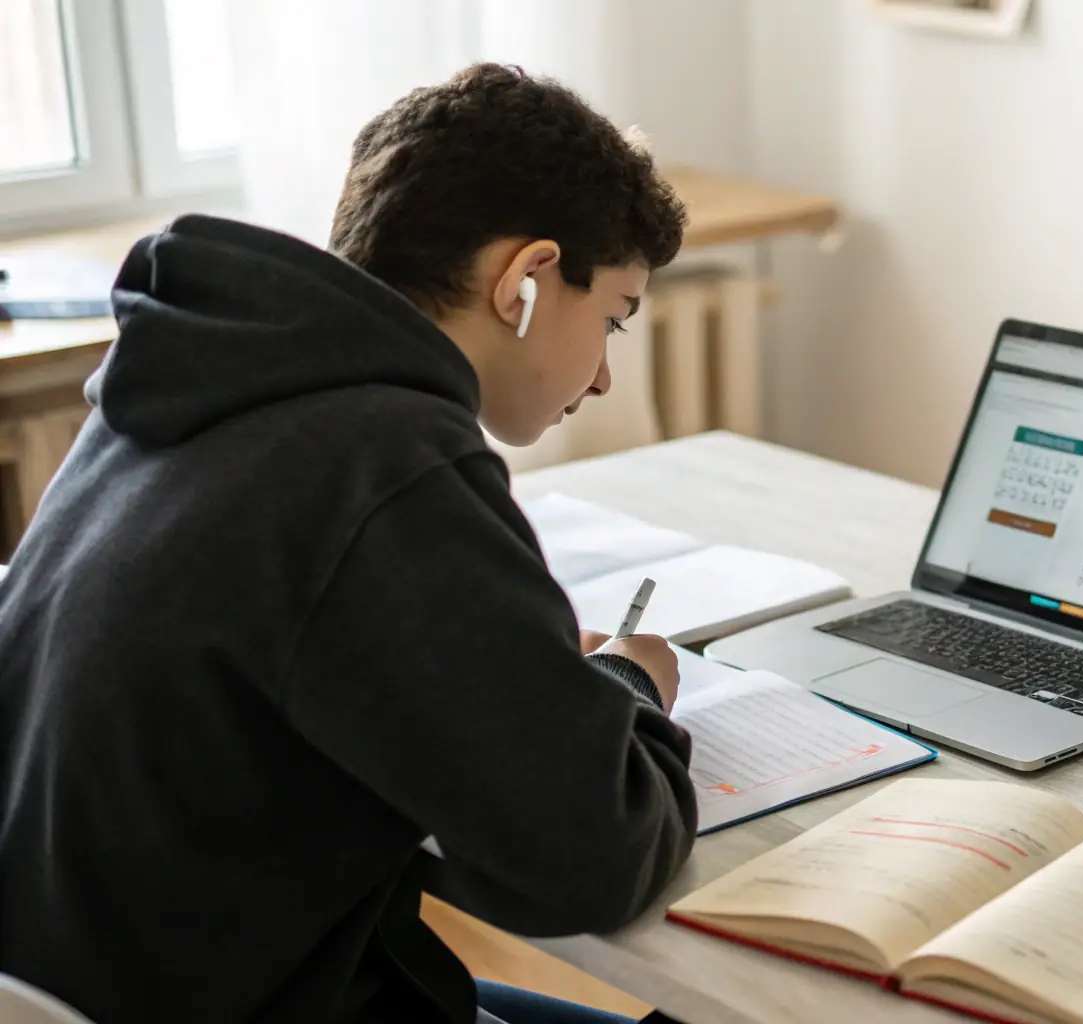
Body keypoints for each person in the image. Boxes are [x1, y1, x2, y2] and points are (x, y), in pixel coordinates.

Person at [0, 64, 698, 1024]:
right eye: (612, 318)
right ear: (528, 279)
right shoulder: (388, 463)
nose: (607, 376)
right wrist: (631, 689)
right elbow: (598, 860)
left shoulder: (184, 382)